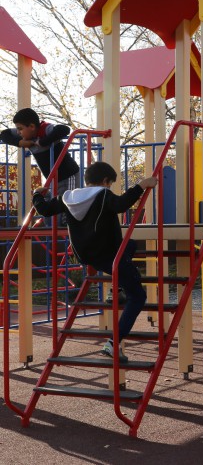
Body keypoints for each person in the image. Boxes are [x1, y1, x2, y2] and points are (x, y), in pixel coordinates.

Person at [32, 161, 157, 362]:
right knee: (138, 296)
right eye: (110, 184)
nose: (109, 187)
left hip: (86, 255)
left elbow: (45, 209)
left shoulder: (68, 197)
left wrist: (37, 195)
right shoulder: (103, 195)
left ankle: (116, 289)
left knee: (130, 245)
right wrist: (142, 185)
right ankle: (113, 343)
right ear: (105, 181)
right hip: (110, 255)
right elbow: (121, 204)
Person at [0, 107, 80, 196]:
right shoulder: (26, 134)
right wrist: (19, 142)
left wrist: (43, 142)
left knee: (67, 202)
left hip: (68, 176)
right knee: (53, 202)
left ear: (32, 126)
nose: (18, 132)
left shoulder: (45, 129)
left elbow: (64, 129)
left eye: (20, 129)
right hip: (53, 180)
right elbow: (3, 134)